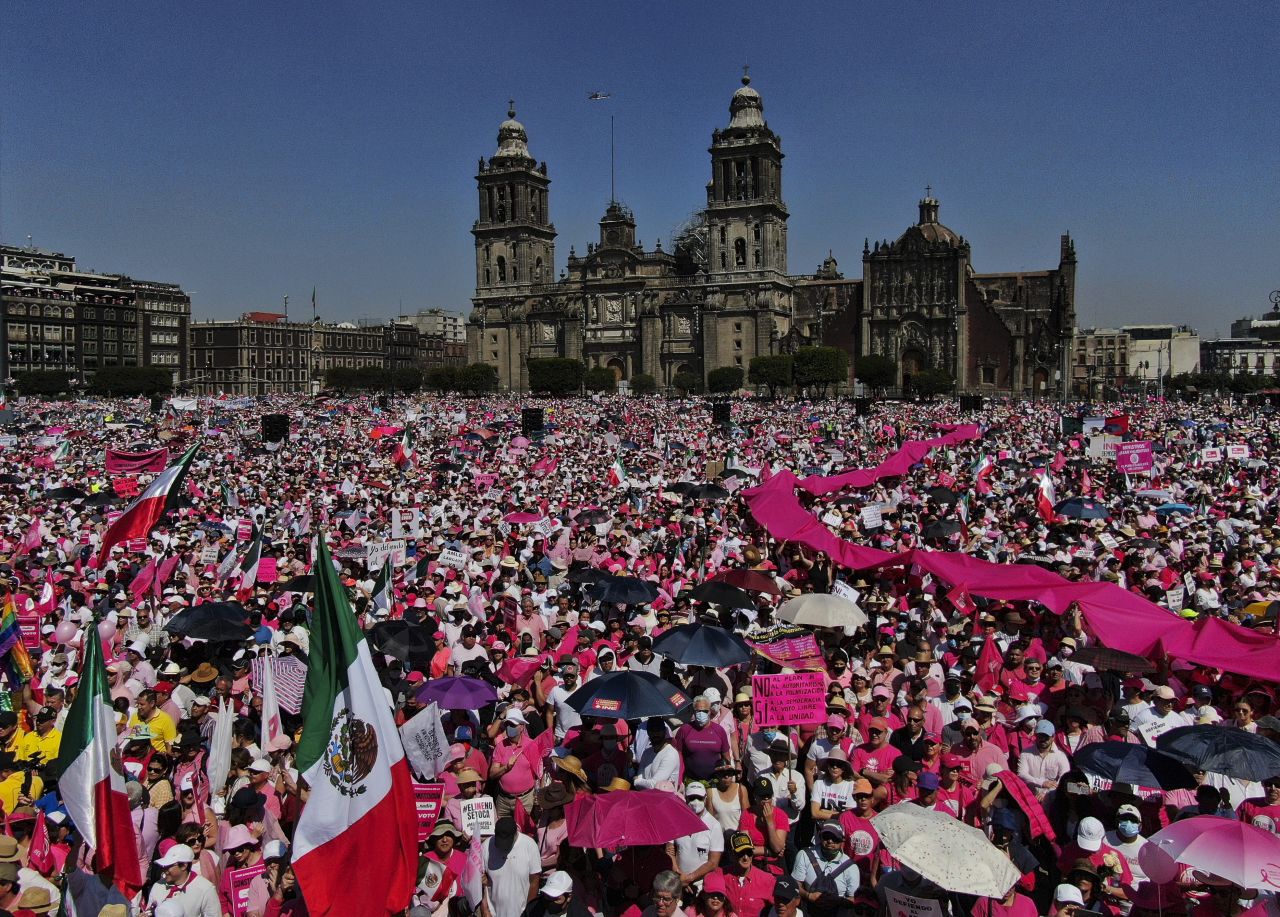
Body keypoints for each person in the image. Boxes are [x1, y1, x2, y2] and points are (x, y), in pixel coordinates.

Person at [791, 822, 860, 917]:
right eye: (826, 836)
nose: (830, 841)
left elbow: (855, 899)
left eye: (835, 838)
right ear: (820, 837)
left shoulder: (851, 867)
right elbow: (794, 885)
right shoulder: (804, 855)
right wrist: (808, 896)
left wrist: (837, 900)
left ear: (842, 841)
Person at [483, 816, 542, 917]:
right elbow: (481, 883)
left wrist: (528, 912)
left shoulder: (530, 845)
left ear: (516, 834)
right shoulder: (485, 846)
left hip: (521, 913)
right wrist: (484, 909)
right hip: (493, 913)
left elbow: (534, 882)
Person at [672, 782, 723, 890]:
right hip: (677, 882)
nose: (695, 801)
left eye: (699, 798)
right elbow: (670, 850)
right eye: (692, 798)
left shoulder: (714, 825)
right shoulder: (676, 820)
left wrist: (690, 878)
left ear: (705, 799)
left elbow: (713, 862)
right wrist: (679, 877)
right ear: (686, 798)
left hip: (702, 885)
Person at [146, 843, 221, 916]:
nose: (164, 870)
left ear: (183, 866)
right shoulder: (158, 886)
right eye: (163, 866)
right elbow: (149, 911)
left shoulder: (206, 889)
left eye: (168, 866)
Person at [714, 832, 776, 917]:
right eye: (741, 853)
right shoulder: (720, 875)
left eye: (749, 852)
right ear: (732, 854)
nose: (746, 857)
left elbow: (780, 908)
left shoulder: (767, 880)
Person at [675, 697, 732, 783]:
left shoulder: (719, 730)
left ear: (710, 711)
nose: (701, 714)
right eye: (698, 711)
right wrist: (679, 780)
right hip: (691, 781)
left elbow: (726, 757)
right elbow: (678, 756)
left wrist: (727, 775)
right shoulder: (684, 730)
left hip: (715, 781)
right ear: (694, 711)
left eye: (705, 711)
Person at [522, 869, 592, 917]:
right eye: (548, 896)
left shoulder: (580, 913)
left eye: (556, 899)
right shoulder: (533, 909)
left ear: (569, 897)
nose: (550, 902)